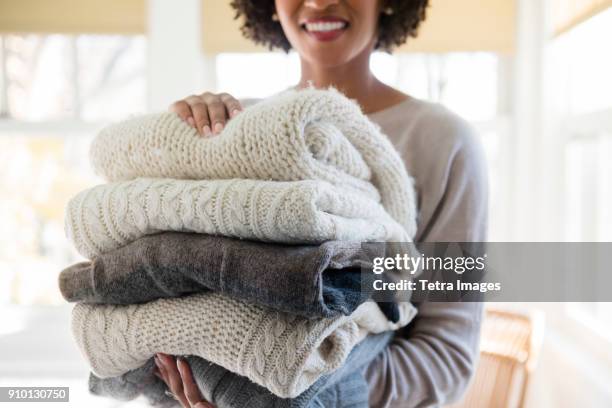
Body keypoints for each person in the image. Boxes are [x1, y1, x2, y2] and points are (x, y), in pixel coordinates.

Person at [154, 1, 488, 407]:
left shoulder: (443, 142)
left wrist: (283, 390)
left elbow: (445, 358)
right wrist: (176, 143)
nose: (318, 1)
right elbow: (169, 306)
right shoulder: (235, 130)